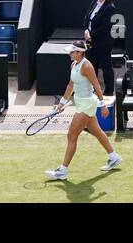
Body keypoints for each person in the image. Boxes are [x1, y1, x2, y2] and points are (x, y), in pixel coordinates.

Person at [45, 40, 123, 181]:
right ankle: (114, 157)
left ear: (80, 52)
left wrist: (103, 105)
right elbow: (71, 85)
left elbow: (97, 85)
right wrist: (61, 103)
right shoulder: (73, 64)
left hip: (87, 104)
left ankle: (62, 171)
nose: (70, 53)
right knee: (97, 131)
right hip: (81, 102)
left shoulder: (87, 66)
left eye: (72, 51)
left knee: (71, 135)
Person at [83, 0, 117, 95]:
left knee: (106, 67)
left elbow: (105, 28)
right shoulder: (95, 2)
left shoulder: (109, 7)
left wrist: (91, 34)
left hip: (102, 42)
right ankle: (92, 91)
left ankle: (108, 92)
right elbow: (87, 17)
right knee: (92, 67)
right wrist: (87, 31)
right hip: (91, 41)